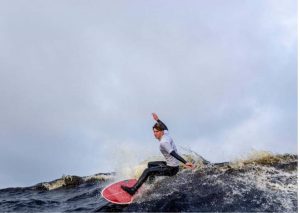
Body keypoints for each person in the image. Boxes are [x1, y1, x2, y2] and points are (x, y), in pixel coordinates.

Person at [121, 113, 194, 195]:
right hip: (171, 165)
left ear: (161, 132)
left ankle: (133, 190)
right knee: (150, 164)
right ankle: (150, 184)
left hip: (171, 169)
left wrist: (185, 162)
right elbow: (166, 127)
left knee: (147, 171)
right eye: (154, 132)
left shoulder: (164, 142)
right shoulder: (166, 134)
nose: (154, 134)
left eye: (156, 132)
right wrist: (157, 120)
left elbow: (173, 153)